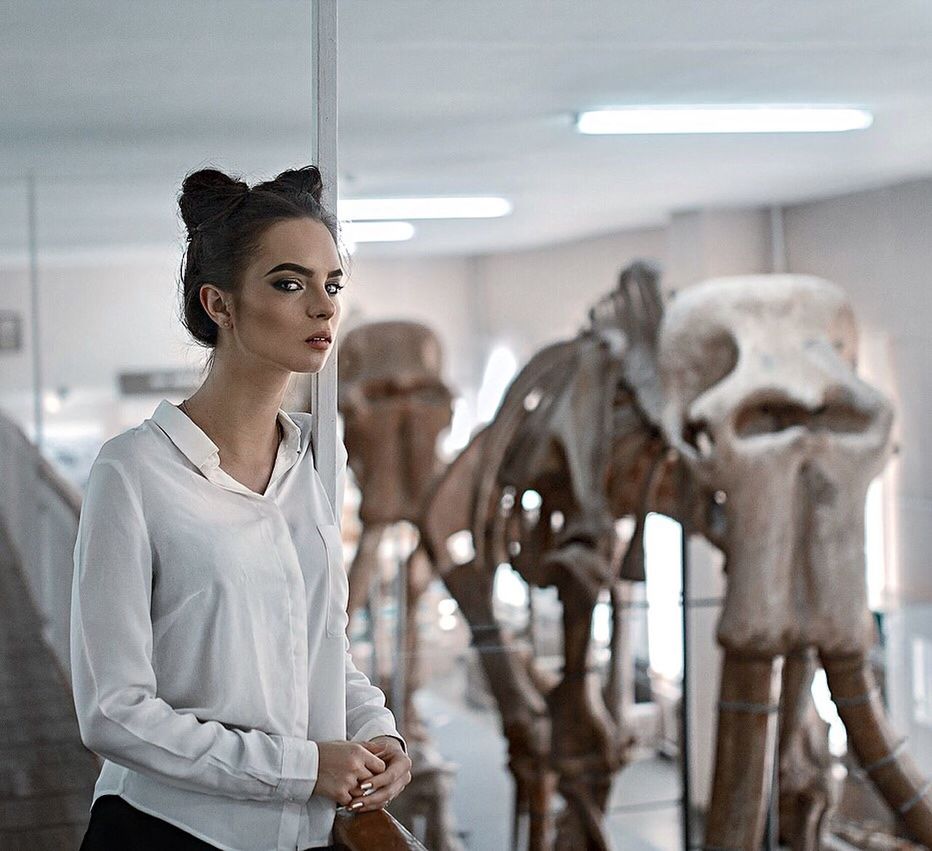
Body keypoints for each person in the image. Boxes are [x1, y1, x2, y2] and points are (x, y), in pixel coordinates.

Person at [70, 165, 412, 851]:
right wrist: (303, 766)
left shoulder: (313, 465)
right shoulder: (132, 471)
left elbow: (321, 645)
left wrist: (378, 729)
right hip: (167, 832)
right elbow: (113, 711)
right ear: (219, 304)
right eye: (290, 283)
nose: (323, 306)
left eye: (331, 283)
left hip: (304, 837)